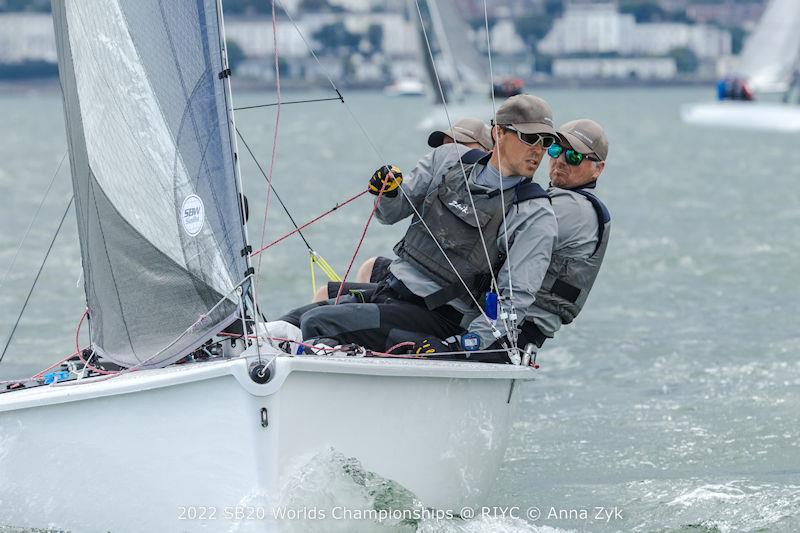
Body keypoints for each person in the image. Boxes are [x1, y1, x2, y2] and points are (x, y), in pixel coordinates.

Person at [279, 94, 559, 360]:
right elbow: (389, 214)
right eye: (529, 138)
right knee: (290, 322)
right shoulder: (448, 160)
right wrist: (387, 193)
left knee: (317, 323)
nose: (538, 150)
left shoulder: (534, 215)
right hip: (391, 291)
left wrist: (462, 345)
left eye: (546, 142)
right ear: (499, 133)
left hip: (440, 319)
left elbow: (514, 301)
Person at [342, 118, 611, 354]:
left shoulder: (570, 209)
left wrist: (467, 180)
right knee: (360, 278)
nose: (560, 160)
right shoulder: (539, 197)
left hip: (510, 328)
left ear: (597, 169)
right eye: (555, 149)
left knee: (332, 317)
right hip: (474, 308)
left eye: (574, 157)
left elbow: (501, 216)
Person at [312, 117, 495, 303]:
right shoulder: (436, 167)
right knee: (369, 268)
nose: (449, 151)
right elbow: (390, 214)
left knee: (324, 300)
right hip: (409, 275)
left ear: (489, 151)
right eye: (444, 147)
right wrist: (389, 193)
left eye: (459, 145)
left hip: (444, 294)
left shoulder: (498, 194)